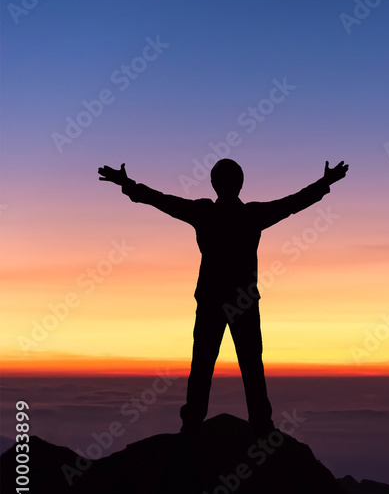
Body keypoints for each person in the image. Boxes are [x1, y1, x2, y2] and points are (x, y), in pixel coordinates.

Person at [97, 158, 349, 437]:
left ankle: (196, 423)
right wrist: (325, 183)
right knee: (246, 364)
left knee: (207, 363)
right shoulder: (249, 214)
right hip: (239, 301)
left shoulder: (206, 212)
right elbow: (291, 204)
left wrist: (127, 184)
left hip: (214, 300)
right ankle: (258, 425)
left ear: (215, 184)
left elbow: (162, 200)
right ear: (239, 184)